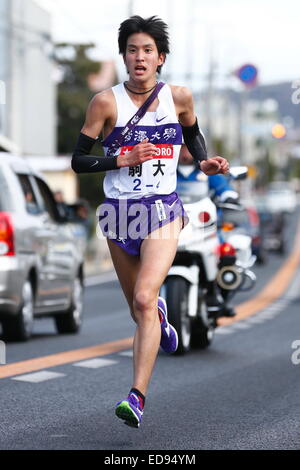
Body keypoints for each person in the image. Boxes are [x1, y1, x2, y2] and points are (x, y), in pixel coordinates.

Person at [71, 15, 229, 428]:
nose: (139, 57)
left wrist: (206, 161)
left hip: (161, 209)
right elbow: (78, 159)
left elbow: (192, 136)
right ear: (124, 57)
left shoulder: (179, 97)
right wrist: (118, 159)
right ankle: (158, 316)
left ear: (160, 58)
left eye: (147, 51)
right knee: (138, 311)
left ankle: (136, 397)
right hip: (119, 213)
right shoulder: (105, 102)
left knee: (143, 298)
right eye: (132, 50)